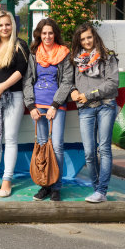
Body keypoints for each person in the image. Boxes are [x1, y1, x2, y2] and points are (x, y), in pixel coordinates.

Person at [23, 18, 73, 201]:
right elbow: (27, 80)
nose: (47, 36)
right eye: (44, 33)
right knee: (42, 145)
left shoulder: (64, 53)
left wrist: (55, 105)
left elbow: (68, 81)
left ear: (55, 34)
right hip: (37, 106)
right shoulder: (33, 54)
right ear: (39, 34)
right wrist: (30, 106)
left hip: (56, 106)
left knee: (57, 146)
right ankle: (44, 184)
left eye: (50, 33)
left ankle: (56, 187)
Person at [0, 11, 29, 197]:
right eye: (0, 25)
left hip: (14, 96)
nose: (4, 28)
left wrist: (2, 87)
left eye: (7, 24)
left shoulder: (19, 45)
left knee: (9, 138)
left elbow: (20, 71)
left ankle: (7, 180)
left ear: (13, 25)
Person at [70, 23, 119, 203]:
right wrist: (73, 91)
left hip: (106, 105)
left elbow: (112, 83)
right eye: (82, 39)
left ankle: (101, 191)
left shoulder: (107, 57)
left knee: (104, 148)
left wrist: (89, 95)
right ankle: (97, 189)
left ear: (95, 36)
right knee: (89, 152)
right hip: (85, 109)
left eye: (89, 37)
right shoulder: (76, 60)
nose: (86, 41)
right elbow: (72, 82)